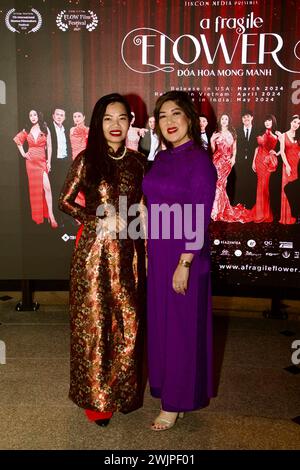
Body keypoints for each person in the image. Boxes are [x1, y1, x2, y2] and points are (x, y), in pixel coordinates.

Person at [59, 93, 147, 427]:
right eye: (108, 118)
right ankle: (97, 402)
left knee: (127, 323)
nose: (115, 125)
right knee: (95, 325)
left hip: (128, 254)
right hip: (93, 254)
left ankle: (123, 394)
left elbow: (143, 206)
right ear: (99, 123)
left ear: (130, 123)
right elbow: (65, 202)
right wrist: (98, 219)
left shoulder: (139, 163)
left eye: (122, 118)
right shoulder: (87, 159)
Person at [142, 91, 217, 431]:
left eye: (176, 114)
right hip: (159, 252)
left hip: (185, 253)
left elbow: (200, 216)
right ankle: (175, 393)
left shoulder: (199, 160)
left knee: (181, 331)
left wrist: (184, 262)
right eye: (162, 116)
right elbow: (151, 206)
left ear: (190, 119)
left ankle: (174, 403)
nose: (169, 122)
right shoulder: (161, 158)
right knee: (163, 326)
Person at [13, 109, 58, 228]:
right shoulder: (27, 129)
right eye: (30, 115)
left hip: (42, 162)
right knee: (35, 191)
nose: (33, 117)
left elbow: (49, 146)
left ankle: (51, 215)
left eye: (34, 115)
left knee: (47, 188)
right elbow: (18, 140)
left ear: (39, 115)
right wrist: (23, 153)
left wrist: (49, 161)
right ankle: (39, 216)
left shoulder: (45, 128)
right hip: (31, 163)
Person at [210, 113, 250, 222]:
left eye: (226, 119)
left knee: (221, 184)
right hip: (217, 160)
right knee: (217, 183)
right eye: (222, 118)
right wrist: (212, 140)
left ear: (228, 121)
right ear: (220, 120)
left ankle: (218, 209)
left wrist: (233, 159)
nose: (224, 120)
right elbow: (213, 150)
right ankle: (217, 210)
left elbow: (235, 148)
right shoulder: (216, 133)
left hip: (227, 162)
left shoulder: (232, 133)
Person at [251, 114, 279, 223]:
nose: (267, 123)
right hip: (258, 161)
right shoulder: (262, 133)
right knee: (259, 186)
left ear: (273, 122)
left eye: (269, 121)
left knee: (264, 187)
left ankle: (264, 213)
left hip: (267, 163)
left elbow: (271, 147)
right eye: (266, 121)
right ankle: (259, 212)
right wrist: (253, 161)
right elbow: (257, 148)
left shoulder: (274, 136)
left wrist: (276, 152)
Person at [49, 108, 71, 226]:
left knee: (65, 191)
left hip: (65, 162)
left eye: (62, 115)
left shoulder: (66, 129)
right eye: (57, 114)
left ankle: (65, 216)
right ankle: (57, 217)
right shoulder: (48, 128)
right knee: (55, 191)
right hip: (54, 163)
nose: (59, 117)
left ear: (64, 118)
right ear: (53, 116)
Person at [232, 110, 258, 208]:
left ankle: (249, 203)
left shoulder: (257, 130)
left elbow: (258, 146)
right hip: (239, 161)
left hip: (252, 161)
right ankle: (239, 202)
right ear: (242, 119)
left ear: (252, 118)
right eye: (244, 117)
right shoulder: (237, 130)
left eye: (248, 116)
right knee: (239, 181)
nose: (246, 119)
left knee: (251, 182)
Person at [277, 114, 300, 224]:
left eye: (298, 123)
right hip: (287, 165)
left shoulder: (299, 135)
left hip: (298, 166)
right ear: (291, 122)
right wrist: (287, 165)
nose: (296, 125)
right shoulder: (283, 135)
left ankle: (296, 217)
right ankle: (287, 218)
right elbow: (282, 152)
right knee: (287, 190)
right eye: (295, 122)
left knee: (296, 191)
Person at [70, 111, 89, 208]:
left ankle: (86, 207)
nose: (76, 118)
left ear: (84, 117)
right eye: (74, 116)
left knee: (84, 184)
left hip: (85, 159)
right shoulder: (71, 130)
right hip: (74, 159)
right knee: (76, 184)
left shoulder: (88, 130)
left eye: (79, 116)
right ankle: (78, 209)